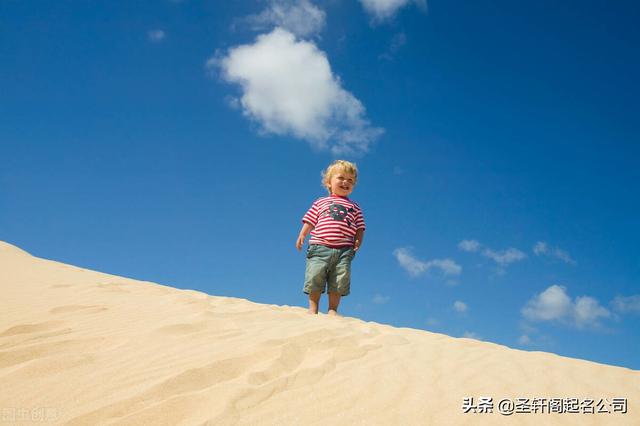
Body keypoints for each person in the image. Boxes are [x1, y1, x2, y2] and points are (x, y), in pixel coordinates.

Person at [296, 160, 366, 315]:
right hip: (319, 247)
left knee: (339, 280)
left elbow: (360, 227)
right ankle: (313, 308)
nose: (345, 182)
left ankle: (333, 309)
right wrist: (302, 234)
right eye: (341, 178)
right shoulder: (320, 202)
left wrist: (358, 239)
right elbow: (310, 220)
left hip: (344, 250)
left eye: (350, 180)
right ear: (329, 182)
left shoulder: (354, 207)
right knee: (315, 276)